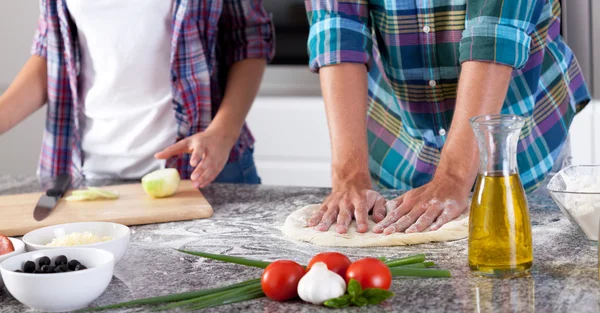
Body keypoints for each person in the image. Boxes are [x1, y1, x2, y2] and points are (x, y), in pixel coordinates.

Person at [304, 0, 590, 234]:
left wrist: (452, 178)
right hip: (400, 142)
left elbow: (494, 33)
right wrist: (349, 175)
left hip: (515, 146)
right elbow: (338, 29)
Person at [0, 0, 274, 188]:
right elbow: (53, 52)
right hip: (85, 174)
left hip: (201, 167)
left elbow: (248, 38)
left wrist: (222, 134)